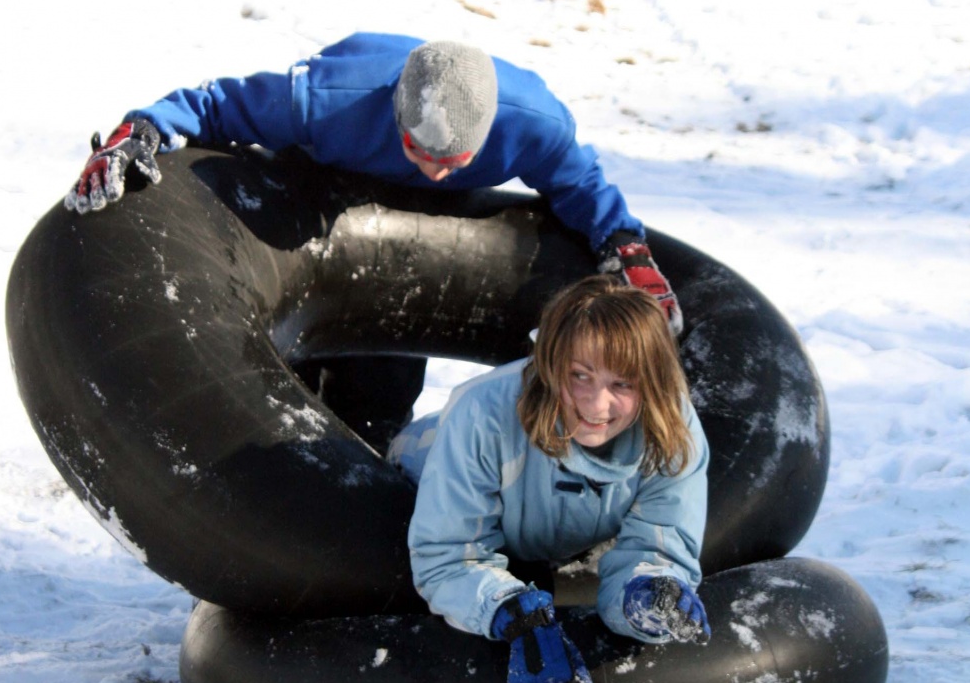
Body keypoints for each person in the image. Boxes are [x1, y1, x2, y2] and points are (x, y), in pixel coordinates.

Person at [65, 32, 681, 448]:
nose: (437, 169)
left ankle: (371, 451)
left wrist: (625, 248)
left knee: (380, 386)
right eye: (421, 152)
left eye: (454, 161)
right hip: (326, 184)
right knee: (298, 369)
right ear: (398, 121)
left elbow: (583, 187)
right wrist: (140, 131)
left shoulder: (535, 127)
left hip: (418, 226)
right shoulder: (327, 101)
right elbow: (216, 104)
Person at [388, 275, 710, 683]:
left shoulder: (672, 431)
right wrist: (511, 613)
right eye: (579, 375)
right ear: (551, 363)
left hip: (548, 530)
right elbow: (446, 556)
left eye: (623, 383)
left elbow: (658, 545)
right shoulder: (481, 415)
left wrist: (649, 594)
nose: (597, 405)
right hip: (420, 468)